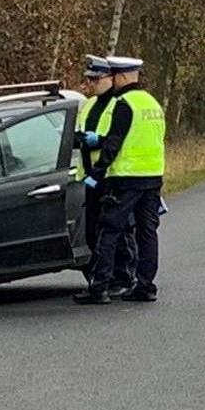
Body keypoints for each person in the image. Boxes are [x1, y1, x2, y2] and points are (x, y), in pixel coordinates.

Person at [74, 55, 165, 304]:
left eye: (113, 76)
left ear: (122, 76)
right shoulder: (152, 103)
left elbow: (114, 143)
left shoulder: (125, 104)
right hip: (153, 176)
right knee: (147, 233)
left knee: (109, 229)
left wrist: (97, 172)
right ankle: (145, 286)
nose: (111, 80)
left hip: (125, 177)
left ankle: (99, 287)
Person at [75, 55, 137, 295]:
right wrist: (79, 140)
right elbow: (81, 133)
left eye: (96, 79)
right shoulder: (89, 104)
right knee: (93, 232)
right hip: (90, 177)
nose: (92, 84)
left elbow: (118, 139)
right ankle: (101, 278)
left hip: (112, 176)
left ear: (111, 78)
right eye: (89, 79)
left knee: (119, 231)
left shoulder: (119, 104)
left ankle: (123, 278)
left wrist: (97, 141)